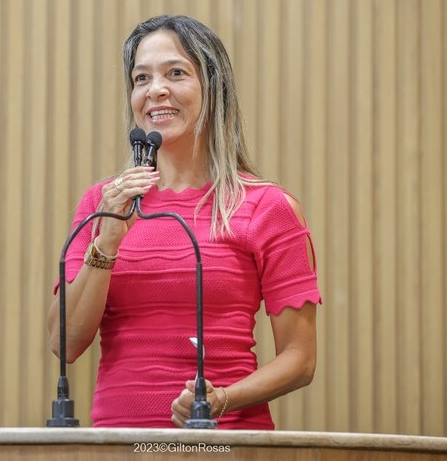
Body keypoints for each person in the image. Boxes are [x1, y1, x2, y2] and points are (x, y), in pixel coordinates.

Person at [47, 14, 322, 429]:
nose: (155, 90)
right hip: (117, 445)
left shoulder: (267, 206)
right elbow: (64, 344)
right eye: (141, 78)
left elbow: (300, 360)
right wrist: (107, 242)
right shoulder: (103, 203)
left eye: (175, 73)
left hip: (223, 442)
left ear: (213, 86)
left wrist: (221, 400)